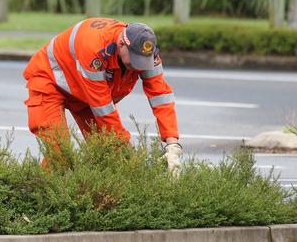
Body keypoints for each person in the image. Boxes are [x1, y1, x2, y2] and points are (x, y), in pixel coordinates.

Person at [23, 17, 182, 171]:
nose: (138, 66)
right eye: (134, 61)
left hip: (83, 93)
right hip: (50, 81)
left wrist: (172, 144)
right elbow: (103, 108)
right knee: (60, 153)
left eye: (142, 62)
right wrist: (126, 147)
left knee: (111, 155)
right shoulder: (94, 49)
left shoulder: (146, 53)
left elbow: (161, 95)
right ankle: (39, 195)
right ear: (121, 44)